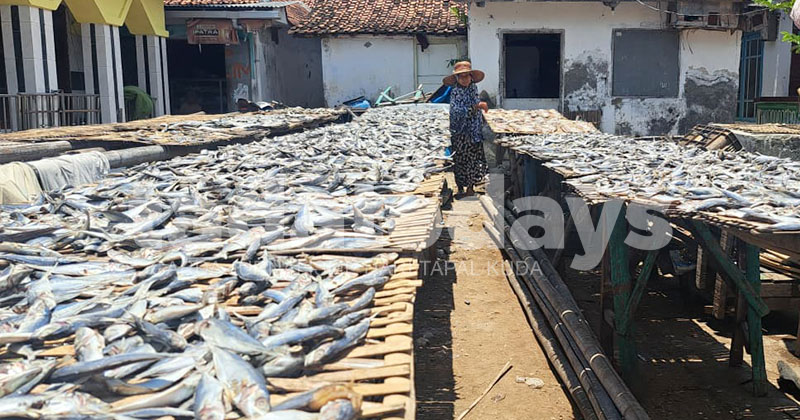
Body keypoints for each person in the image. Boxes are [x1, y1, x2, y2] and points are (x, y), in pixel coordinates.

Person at [443, 61, 489, 197]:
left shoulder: (473, 88)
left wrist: (480, 112)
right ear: (457, 78)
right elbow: (456, 111)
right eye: (461, 77)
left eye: (466, 76)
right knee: (460, 160)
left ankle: (471, 187)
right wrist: (476, 107)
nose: (464, 79)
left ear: (471, 77)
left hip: (474, 131)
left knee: (474, 160)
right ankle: (460, 187)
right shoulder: (456, 91)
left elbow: (477, 104)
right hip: (460, 132)